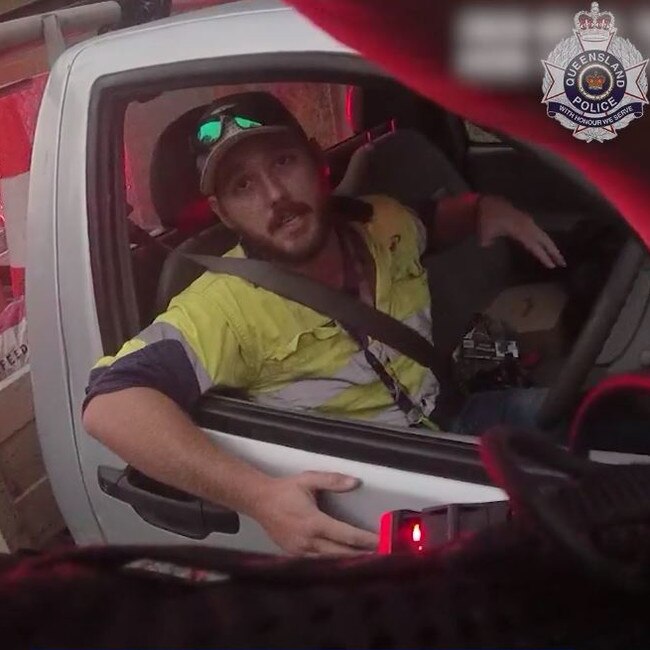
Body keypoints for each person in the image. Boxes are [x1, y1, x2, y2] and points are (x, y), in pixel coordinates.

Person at [82, 92, 565, 556]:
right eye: (242, 186)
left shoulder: (383, 222)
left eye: (283, 162)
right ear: (222, 211)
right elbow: (111, 405)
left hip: (459, 420)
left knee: (615, 415)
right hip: (392, 485)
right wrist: (259, 498)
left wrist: (486, 209)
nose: (275, 196)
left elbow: (435, 221)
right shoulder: (221, 308)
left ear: (318, 162)